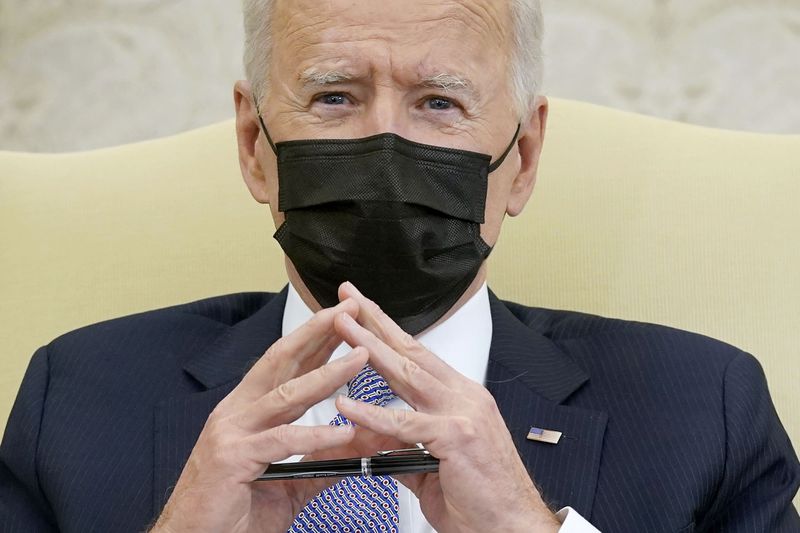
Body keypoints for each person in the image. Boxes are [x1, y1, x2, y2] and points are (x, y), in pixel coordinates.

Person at [1, 0, 799, 531]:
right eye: (336, 98)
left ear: (521, 159)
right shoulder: (74, 399)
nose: (387, 149)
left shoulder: (704, 409)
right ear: (254, 146)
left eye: (440, 103)